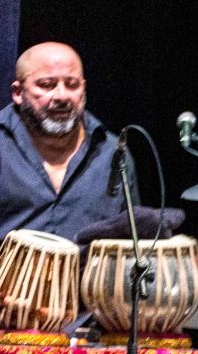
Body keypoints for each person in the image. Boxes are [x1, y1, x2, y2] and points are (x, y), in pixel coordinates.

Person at [1, 42, 130, 240]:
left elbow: (131, 240)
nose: (61, 96)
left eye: (72, 85)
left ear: (83, 88)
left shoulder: (112, 152)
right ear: (18, 93)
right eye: (46, 85)